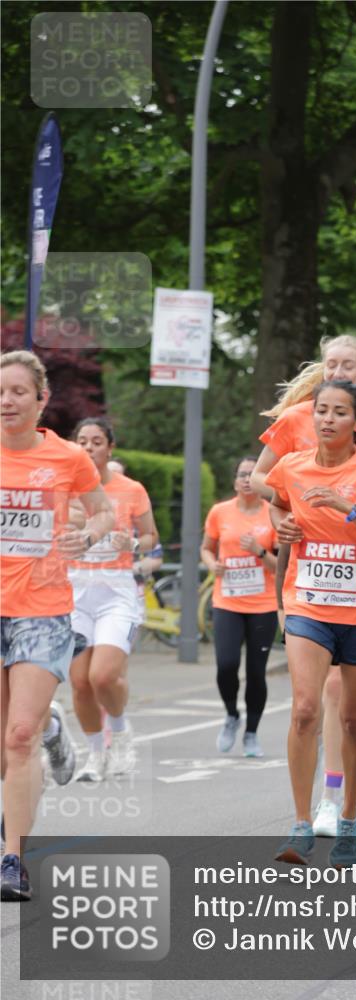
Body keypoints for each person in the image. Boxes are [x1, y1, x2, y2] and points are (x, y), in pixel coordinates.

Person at [251, 334, 356, 837]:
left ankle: (339, 803)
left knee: (349, 712)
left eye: (348, 364)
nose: (339, 368)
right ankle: (305, 818)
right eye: (331, 362)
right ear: (321, 368)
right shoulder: (296, 423)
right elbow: (264, 482)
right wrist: (284, 514)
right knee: (305, 706)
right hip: (306, 578)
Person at [1, 351, 113, 900]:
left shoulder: (69, 458)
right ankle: (52, 729)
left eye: (19, 391)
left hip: (41, 606)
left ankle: (11, 859)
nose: (7, 401)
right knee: (6, 745)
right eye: (0, 392)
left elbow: (103, 511)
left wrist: (88, 535)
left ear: (41, 399)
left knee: (16, 737)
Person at [68, 418, 159, 783]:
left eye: (96, 441)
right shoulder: (66, 487)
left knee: (103, 676)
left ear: (110, 448)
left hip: (116, 592)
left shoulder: (131, 489)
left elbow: (152, 536)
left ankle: (120, 732)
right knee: (79, 682)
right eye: (83, 441)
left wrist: (133, 544)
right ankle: (95, 754)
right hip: (75, 591)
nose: (89, 448)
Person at [200, 456, 278, 758]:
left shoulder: (274, 514)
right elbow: (206, 548)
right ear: (235, 481)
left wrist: (258, 551)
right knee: (227, 665)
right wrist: (212, 565)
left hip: (263, 604)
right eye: (242, 474)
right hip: (227, 602)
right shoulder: (220, 512)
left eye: (252, 474)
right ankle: (232, 714)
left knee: (256, 672)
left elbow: (281, 566)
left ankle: (251, 733)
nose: (247, 479)